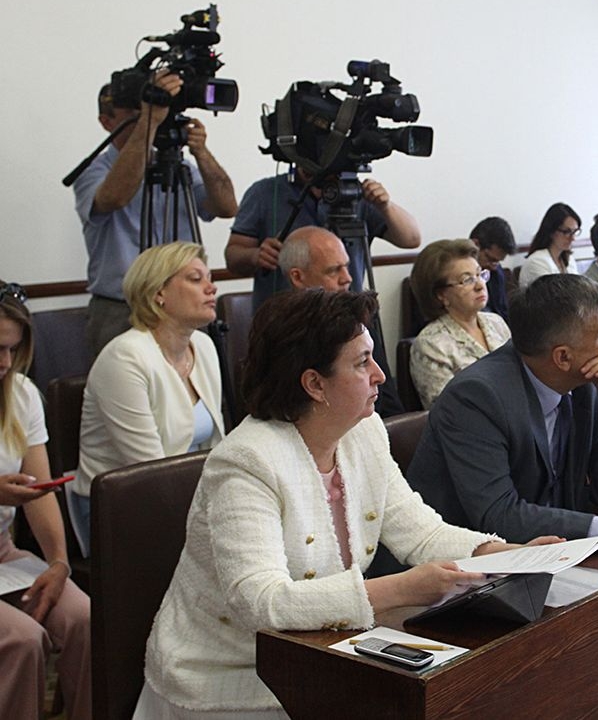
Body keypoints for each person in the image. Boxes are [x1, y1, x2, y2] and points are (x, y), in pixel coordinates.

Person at [134, 289, 554, 718]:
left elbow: (421, 532)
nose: (380, 375)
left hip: (319, 653)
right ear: (315, 384)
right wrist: (402, 588)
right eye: (362, 362)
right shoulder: (247, 461)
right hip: (229, 676)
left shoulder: (363, 432)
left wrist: (507, 554)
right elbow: (261, 602)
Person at [407, 275, 598, 564]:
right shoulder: (477, 397)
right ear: (563, 358)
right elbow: (499, 515)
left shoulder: (589, 381)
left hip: (554, 553)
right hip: (463, 569)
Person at [73, 242, 225, 555]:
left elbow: (215, 445)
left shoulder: (204, 345)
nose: (211, 288)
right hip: (121, 510)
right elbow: (150, 472)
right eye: (195, 279)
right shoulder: (125, 357)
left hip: (187, 496)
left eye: (209, 278)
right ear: (158, 293)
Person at [73, 71, 238, 355]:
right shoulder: (94, 171)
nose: (149, 117)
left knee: (192, 380)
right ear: (106, 122)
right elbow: (115, 196)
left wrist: (201, 152)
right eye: (134, 113)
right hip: (121, 309)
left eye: (148, 111)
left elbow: (226, 207)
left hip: (183, 305)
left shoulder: (180, 166)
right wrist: (148, 123)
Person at [0, 280, 91, 720]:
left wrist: (58, 562)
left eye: (12, 349)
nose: (5, 362)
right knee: (22, 639)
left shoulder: (20, 394)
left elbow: (38, 491)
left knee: (84, 618)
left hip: (3, 553)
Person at [224, 166, 420, 312]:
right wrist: (255, 256)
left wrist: (385, 206)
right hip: (284, 324)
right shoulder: (264, 193)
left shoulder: (356, 193)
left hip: (347, 317)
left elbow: (411, 239)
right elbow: (233, 255)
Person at [278, 226, 404, 416]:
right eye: (333, 271)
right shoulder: (282, 336)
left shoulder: (358, 324)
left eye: (346, 266)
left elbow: (390, 405)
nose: (347, 278)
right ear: (297, 277)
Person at [409, 239, 512, 409]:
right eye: (467, 280)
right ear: (441, 295)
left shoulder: (496, 322)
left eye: (479, 274)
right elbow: (448, 410)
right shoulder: (431, 344)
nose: (480, 285)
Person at [518, 203, 582, 289]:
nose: (573, 238)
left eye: (575, 232)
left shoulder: (569, 259)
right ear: (551, 231)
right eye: (566, 232)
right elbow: (554, 295)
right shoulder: (537, 261)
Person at [469, 216, 517, 321]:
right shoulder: (456, 277)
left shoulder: (496, 273)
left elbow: (502, 313)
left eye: (497, 262)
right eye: (490, 259)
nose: (493, 267)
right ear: (475, 244)